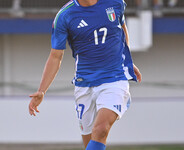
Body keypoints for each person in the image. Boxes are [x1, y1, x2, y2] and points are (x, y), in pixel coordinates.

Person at [28, 0, 142, 149]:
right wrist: (42, 90)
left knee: (101, 130)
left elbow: (121, 29)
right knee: (90, 142)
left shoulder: (115, 3)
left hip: (114, 79)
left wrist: (127, 60)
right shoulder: (65, 16)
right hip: (84, 84)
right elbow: (56, 56)